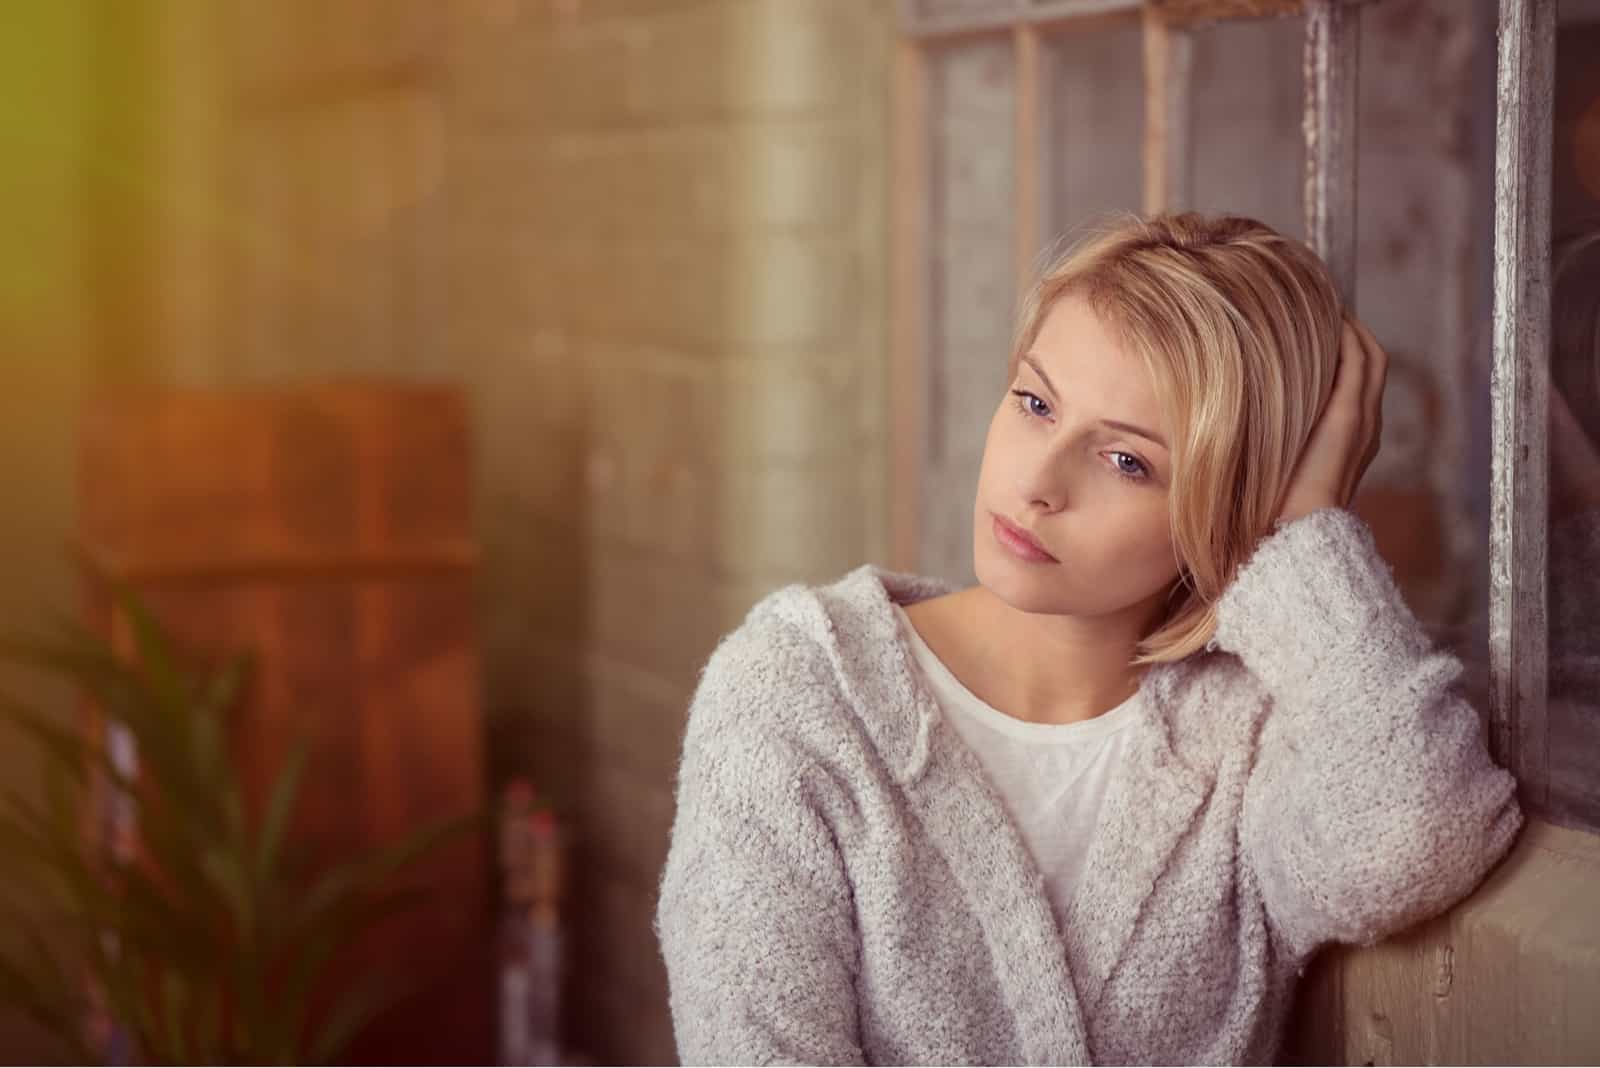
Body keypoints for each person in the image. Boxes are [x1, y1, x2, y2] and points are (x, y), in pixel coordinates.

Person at [653, 212, 1524, 1065]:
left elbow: (1410, 841)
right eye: (1034, 403)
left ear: (1226, 509)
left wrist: (1307, 527)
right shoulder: (800, 694)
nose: (1035, 482)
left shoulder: (1249, 736)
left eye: (1126, 462)